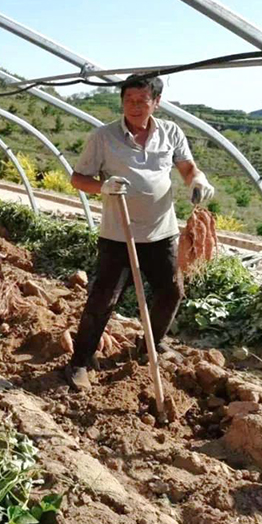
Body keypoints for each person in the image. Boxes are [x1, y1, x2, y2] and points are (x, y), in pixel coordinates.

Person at [65, 74, 215, 392]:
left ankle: (150, 344)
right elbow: (78, 178)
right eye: (128, 100)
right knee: (104, 299)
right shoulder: (103, 137)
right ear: (122, 102)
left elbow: (186, 167)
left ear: (155, 103)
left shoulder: (171, 133)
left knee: (172, 290)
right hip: (119, 234)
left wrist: (198, 179)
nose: (134, 106)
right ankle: (79, 361)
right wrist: (102, 187)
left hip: (162, 233)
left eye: (142, 101)